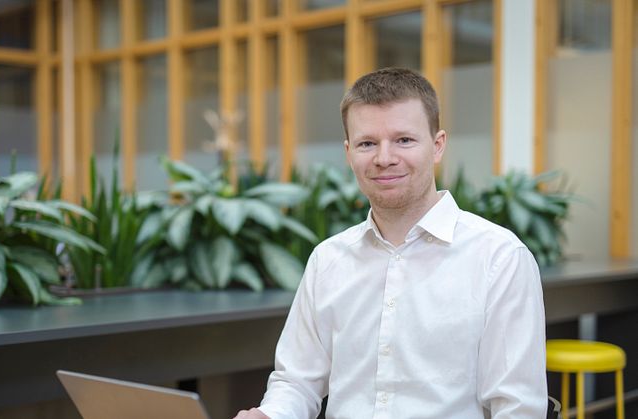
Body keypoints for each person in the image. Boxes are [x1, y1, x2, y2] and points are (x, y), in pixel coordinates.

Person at [233, 67, 547, 419]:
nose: (384, 158)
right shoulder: (329, 259)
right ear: (349, 152)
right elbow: (297, 380)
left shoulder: (499, 258)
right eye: (368, 143)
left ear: (438, 145)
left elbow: (518, 409)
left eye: (404, 140)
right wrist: (270, 415)